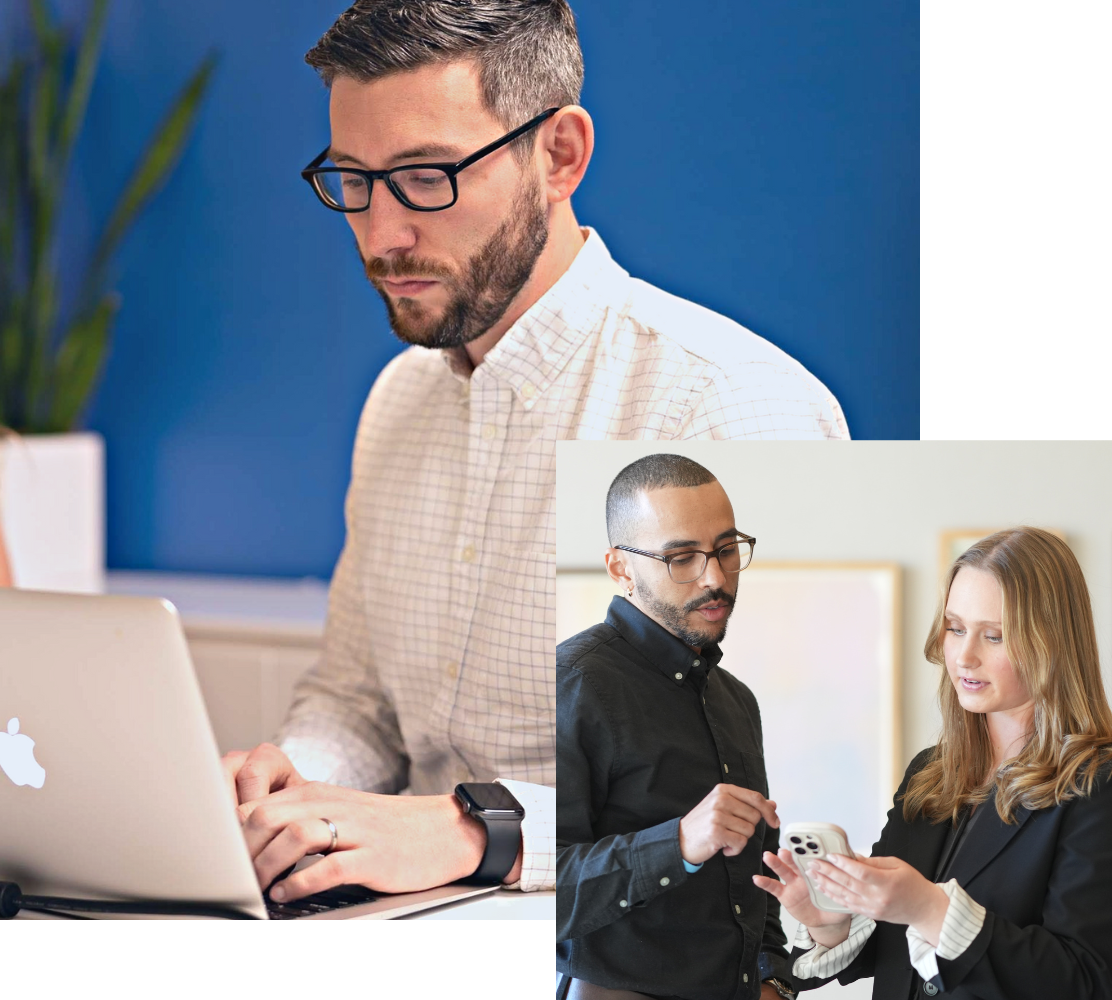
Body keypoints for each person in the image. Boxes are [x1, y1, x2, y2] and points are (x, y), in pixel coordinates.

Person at [222, 0, 848, 906]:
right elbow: (356, 702)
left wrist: (481, 831)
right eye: (353, 179)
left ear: (558, 155)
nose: (380, 233)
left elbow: (780, 791)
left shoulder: (732, 407)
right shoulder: (397, 401)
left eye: (426, 177)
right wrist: (288, 789)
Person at [755, 527, 1112, 998]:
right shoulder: (932, 772)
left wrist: (931, 908)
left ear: (1052, 643)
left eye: (995, 636)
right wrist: (832, 921)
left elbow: (1087, 981)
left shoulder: (1096, 783)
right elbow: (894, 947)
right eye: (955, 627)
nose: (963, 656)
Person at [557, 454, 796, 1000]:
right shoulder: (572, 683)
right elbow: (543, 886)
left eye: (727, 550)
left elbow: (756, 876)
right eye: (682, 557)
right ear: (620, 568)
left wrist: (775, 980)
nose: (715, 578)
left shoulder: (737, 700)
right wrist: (681, 841)